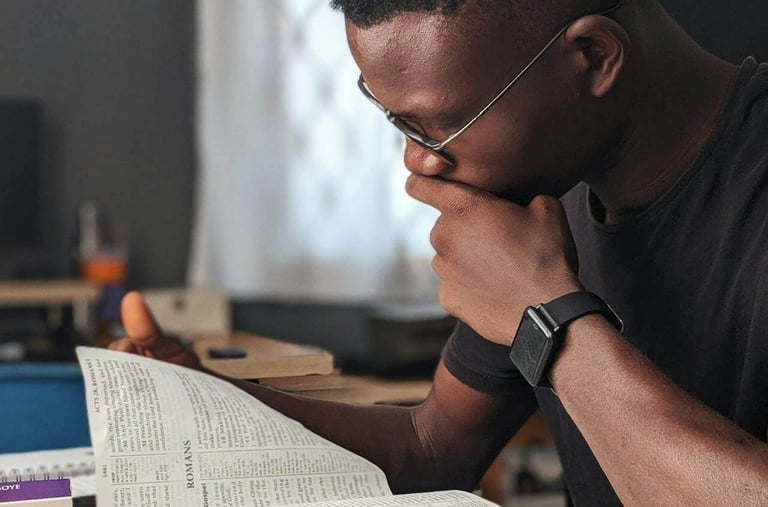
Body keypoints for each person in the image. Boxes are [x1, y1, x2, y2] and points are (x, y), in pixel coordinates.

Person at [112, 0, 768, 504]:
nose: (417, 160)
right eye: (398, 122)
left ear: (593, 57)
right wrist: (202, 399)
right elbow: (432, 446)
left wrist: (548, 316)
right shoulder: (545, 191)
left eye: (442, 124)